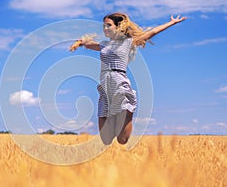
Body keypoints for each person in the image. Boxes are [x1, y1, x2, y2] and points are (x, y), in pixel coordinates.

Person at [75, 13, 186, 145]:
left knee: (122, 140)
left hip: (119, 82)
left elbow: (152, 32)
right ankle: (116, 116)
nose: (105, 28)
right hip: (105, 87)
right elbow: (91, 45)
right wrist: (81, 43)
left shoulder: (128, 43)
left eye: (108, 25)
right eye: (104, 25)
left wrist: (171, 23)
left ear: (118, 27)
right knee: (106, 139)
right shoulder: (104, 45)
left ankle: (127, 113)